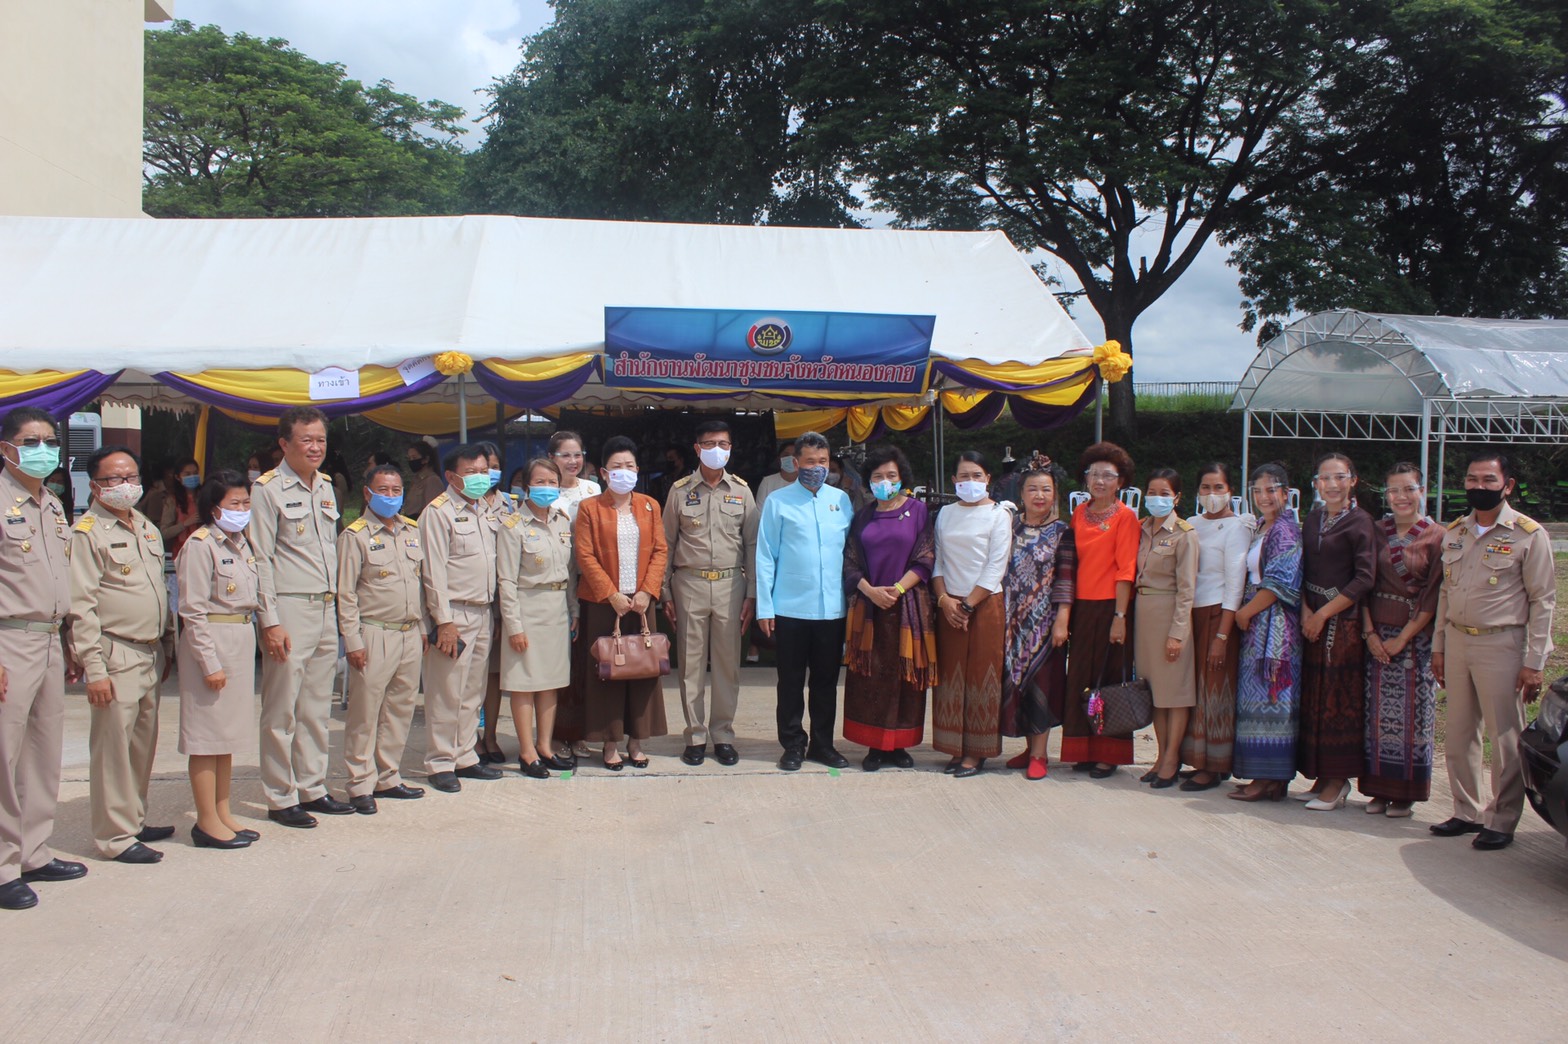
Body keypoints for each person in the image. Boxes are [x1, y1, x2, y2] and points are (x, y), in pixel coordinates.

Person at [1430, 451, 1557, 850]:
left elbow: (1544, 601)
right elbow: (1445, 595)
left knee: (1504, 738)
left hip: (1503, 644)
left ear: (1508, 485)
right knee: (1460, 734)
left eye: (1488, 480)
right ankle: (1466, 811)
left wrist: (1534, 663)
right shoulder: (1455, 533)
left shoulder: (1527, 534)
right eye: (1472, 479)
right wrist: (1439, 647)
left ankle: (1501, 819)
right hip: (1458, 640)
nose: (1479, 487)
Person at [67, 446, 176, 863]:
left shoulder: (143, 526)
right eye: (113, 479)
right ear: (95, 485)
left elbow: (156, 590)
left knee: (141, 745)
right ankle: (115, 836)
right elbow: (82, 605)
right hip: (115, 652)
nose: (125, 485)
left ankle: (134, 818)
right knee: (113, 749)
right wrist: (94, 667)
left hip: (148, 653)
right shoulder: (89, 532)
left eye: (131, 476)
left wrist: (166, 644)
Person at [0, 408, 86, 910]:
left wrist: (70, 639)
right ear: (6, 448)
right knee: (4, 756)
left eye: (49, 440)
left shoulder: (51, 504)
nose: (43, 449)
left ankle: (33, 851)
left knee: (42, 751)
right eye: (31, 441)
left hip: (50, 637)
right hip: (9, 639)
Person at [250, 406, 352, 828]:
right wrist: (269, 620)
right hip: (289, 607)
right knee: (282, 708)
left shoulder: (326, 486)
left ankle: (312, 786)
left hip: (325, 606)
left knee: (315, 707)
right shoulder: (267, 489)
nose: (315, 448)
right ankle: (280, 795)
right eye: (306, 440)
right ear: (284, 444)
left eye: (321, 440)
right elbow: (260, 557)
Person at [662, 421, 757, 767]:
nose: (717, 448)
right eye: (710, 443)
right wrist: (664, 592)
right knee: (689, 665)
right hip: (689, 583)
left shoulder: (743, 491)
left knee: (728, 666)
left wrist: (753, 593)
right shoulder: (679, 491)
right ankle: (696, 736)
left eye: (724, 443)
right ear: (697, 448)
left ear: (731, 448)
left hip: (732, 584)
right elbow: (666, 544)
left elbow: (751, 544)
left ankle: (723, 735)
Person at [174, 471, 261, 849]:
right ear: (214, 508)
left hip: (240, 637)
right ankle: (206, 821)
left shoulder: (242, 544)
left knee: (226, 736)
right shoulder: (200, 545)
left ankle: (223, 812)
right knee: (206, 736)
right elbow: (191, 610)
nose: (242, 510)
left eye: (245, 503)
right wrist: (208, 662)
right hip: (211, 639)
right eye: (234, 504)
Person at [755, 431, 851, 771]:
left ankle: (823, 744)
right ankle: (793, 744)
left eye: (823, 462)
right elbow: (766, 556)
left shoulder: (841, 500)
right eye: (810, 461)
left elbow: (849, 554)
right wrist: (764, 607)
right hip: (790, 608)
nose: (817, 467)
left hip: (831, 609)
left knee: (826, 682)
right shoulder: (778, 501)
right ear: (795, 464)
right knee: (791, 681)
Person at [336, 465, 427, 814]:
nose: (390, 496)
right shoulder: (354, 536)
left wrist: (421, 629)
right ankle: (360, 783)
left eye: (396, 490)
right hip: (373, 632)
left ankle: (388, 776)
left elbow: (417, 585)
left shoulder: (411, 531)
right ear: (367, 493)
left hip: (408, 632)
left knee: (399, 710)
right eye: (383, 490)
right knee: (365, 712)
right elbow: (346, 593)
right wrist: (352, 640)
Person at [574, 436, 669, 770]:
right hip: (604, 603)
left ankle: (637, 741)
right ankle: (610, 742)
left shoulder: (649, 505)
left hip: (641, 603)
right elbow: (584, 554)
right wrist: (611, 593)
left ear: (637, 470)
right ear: (603, 472)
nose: (624, 472)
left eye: (629, 466)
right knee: (608, 672)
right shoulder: (589, 509)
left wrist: (646, 592)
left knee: (643, 669)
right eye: (616, 467)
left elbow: (660, 550)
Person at [842, 446, 935, 772]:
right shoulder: (863, 515)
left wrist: (896, 590)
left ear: (902, 478)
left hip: (907, 606)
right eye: (878, 476)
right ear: (869, 480)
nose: (885, 481)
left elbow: (926, 559)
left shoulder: (918, 511)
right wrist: (869, 590)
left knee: (905, 678)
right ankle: (874, 745)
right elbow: (850, 561)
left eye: (891, 476)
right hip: (869, 609)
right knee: (870, 677)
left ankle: (900, 745)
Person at [1359, 463, 1443, 818]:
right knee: (1375, 717)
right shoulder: (1375, 531)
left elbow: (1432, 594)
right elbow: (1361, 582)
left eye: (1408, 489)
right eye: (1394, 490)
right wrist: (1369, 633)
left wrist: (1403, 638)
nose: (1401, 497)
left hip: (1414, 640)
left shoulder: (1437, 536)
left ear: (1422, 491)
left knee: (1413, 718)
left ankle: (1405, 792)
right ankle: (1377, 789)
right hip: (1375, 634)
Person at [419, 444, 504, 793]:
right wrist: (443, 621)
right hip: (454, 613)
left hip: (483, 611)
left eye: (484, 470)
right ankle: (440, 761)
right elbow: (433, 571)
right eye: (471, 472)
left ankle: (465, 755)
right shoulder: (437, 513)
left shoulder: (486, 509)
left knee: (472, 691)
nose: (480, 477)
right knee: (446, 692)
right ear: (451, 477)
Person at [1293, 453, 1375, 811]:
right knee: (1315, 697)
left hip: (1342, 623)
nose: (1331, 484)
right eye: (1324, 478)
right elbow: (1305, 566)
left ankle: (1338, 780)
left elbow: (1365, 577)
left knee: (1338, 702)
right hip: (1311, 617)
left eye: (1339, 477)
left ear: (1353, 480)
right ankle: (1321, 774)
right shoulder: (1312, 519)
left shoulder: (1361, 522)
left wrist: (1324, 612)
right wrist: (1307, 611)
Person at [1061, 442, 1139, 778]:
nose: (1100, 481)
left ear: (1120, 481)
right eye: (1094, 475)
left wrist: (1120, 617)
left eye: (1108, 476)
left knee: (1109, 679)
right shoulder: (1080, 513)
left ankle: (1109, 752)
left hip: (1112, 608)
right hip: (1082, 608)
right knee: (1080, 678)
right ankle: (1082, 747)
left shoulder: (1126, 517)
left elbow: (1126, 571)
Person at [931, 451, 1011, 777]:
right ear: (953, 481)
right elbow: (936, 560)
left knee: (981, 675)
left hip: (985, 604)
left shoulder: (998, 514)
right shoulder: (945, 514)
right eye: (963, 476)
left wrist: (967, 605)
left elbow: (996, 566)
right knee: (951, 676)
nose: (970, 482)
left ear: (988, 478)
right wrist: (944, 601)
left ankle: (976, 752)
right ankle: (953, 746)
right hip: (948, 604)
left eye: (977, 475)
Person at [497, 457, 577, 777]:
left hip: (557, 608)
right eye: (540, 482)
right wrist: (514, 626)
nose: (547, 488)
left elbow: (569, 572)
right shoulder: (513, 526)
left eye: (552, 482)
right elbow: (506, 580)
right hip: (527, 609)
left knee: (550, 683)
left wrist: (575, 610)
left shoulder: (562, 520)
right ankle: (527, 751)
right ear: (526, 485)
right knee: (524, 684)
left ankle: (545, 745)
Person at [1229, 463, 1303, 802]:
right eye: (1257, 491)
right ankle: (1267, 777)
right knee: (1255, 697)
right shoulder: (1260, 526)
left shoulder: (1286, 531)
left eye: (1271, 490)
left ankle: (1268, 776)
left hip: (1274, 625)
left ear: (1286, 494)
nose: (1264, 496)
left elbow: (1279, 581)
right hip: (1257, 623)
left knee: (1272, 698)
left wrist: (1245, 611)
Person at [1000, 461, 1074, 781]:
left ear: (1055, 494)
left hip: (1044, 623)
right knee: (1019, 685)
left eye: (1046, 489)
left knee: (1043, 685)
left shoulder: (1062, 532)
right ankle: (1028, 748)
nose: (1039, 495)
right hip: (1011, 621)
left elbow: (1067, 579)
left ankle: (1041, 754)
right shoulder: (1009, 526)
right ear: (1021, 494)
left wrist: (1062, 619)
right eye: (1033, 489)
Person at [1180, 463, 1252, 791]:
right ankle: (1197, 758)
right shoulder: (1191, 524)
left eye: (1218, 488)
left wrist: (1223, 635)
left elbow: (1235, 582)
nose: (1212, 494)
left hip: (1218, 614)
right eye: (1206, 488)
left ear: (1230, 492)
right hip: (1191, 613)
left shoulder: (1237, 527)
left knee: (1215, 689)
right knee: (1195, 689)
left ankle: (1214, 764)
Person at [1134, 468, 1200, 788]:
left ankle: (1173, 758)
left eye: (1164, 493)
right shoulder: (1141, 529)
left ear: (1176, 497)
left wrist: (1178, 633)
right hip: (1143, 619)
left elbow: (1187, 590)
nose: (1156, 499)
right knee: (1156, 694)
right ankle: (1160, 756)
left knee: (1175, 694)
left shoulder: (1184, 534)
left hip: (1170, 618)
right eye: (1152, 492)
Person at [548, 429, 600, 759]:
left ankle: (578, 732)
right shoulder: (543, 491)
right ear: (552, 458)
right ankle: (554, 733)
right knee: (556, 665)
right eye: (565, 455)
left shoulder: (593, 489)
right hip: (553, 585)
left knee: (582, 665)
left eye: (577, 454)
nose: (573, 461)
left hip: (586, 584)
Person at [476, 440, 517, 764]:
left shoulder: (510, 506)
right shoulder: (460, 505)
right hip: (470, 601)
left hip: (499, 604)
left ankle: (489, 737)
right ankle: (466, 741)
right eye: (481, 467)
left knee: (492, 677)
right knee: (467, 679)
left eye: (493, 465)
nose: (487, 472)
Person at [402, 441, 444, 519]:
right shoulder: (416, 480)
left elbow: (433, 512)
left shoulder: (432, 480)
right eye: (409, 458)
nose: (411, 461)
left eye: (414, 458)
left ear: (426, 459)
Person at [754, 440, 797, 509]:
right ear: (779, 458)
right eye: (786, 455)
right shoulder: (767, 482)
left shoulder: (806, 483)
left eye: (795, 455)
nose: (790, 458)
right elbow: (760, 511)